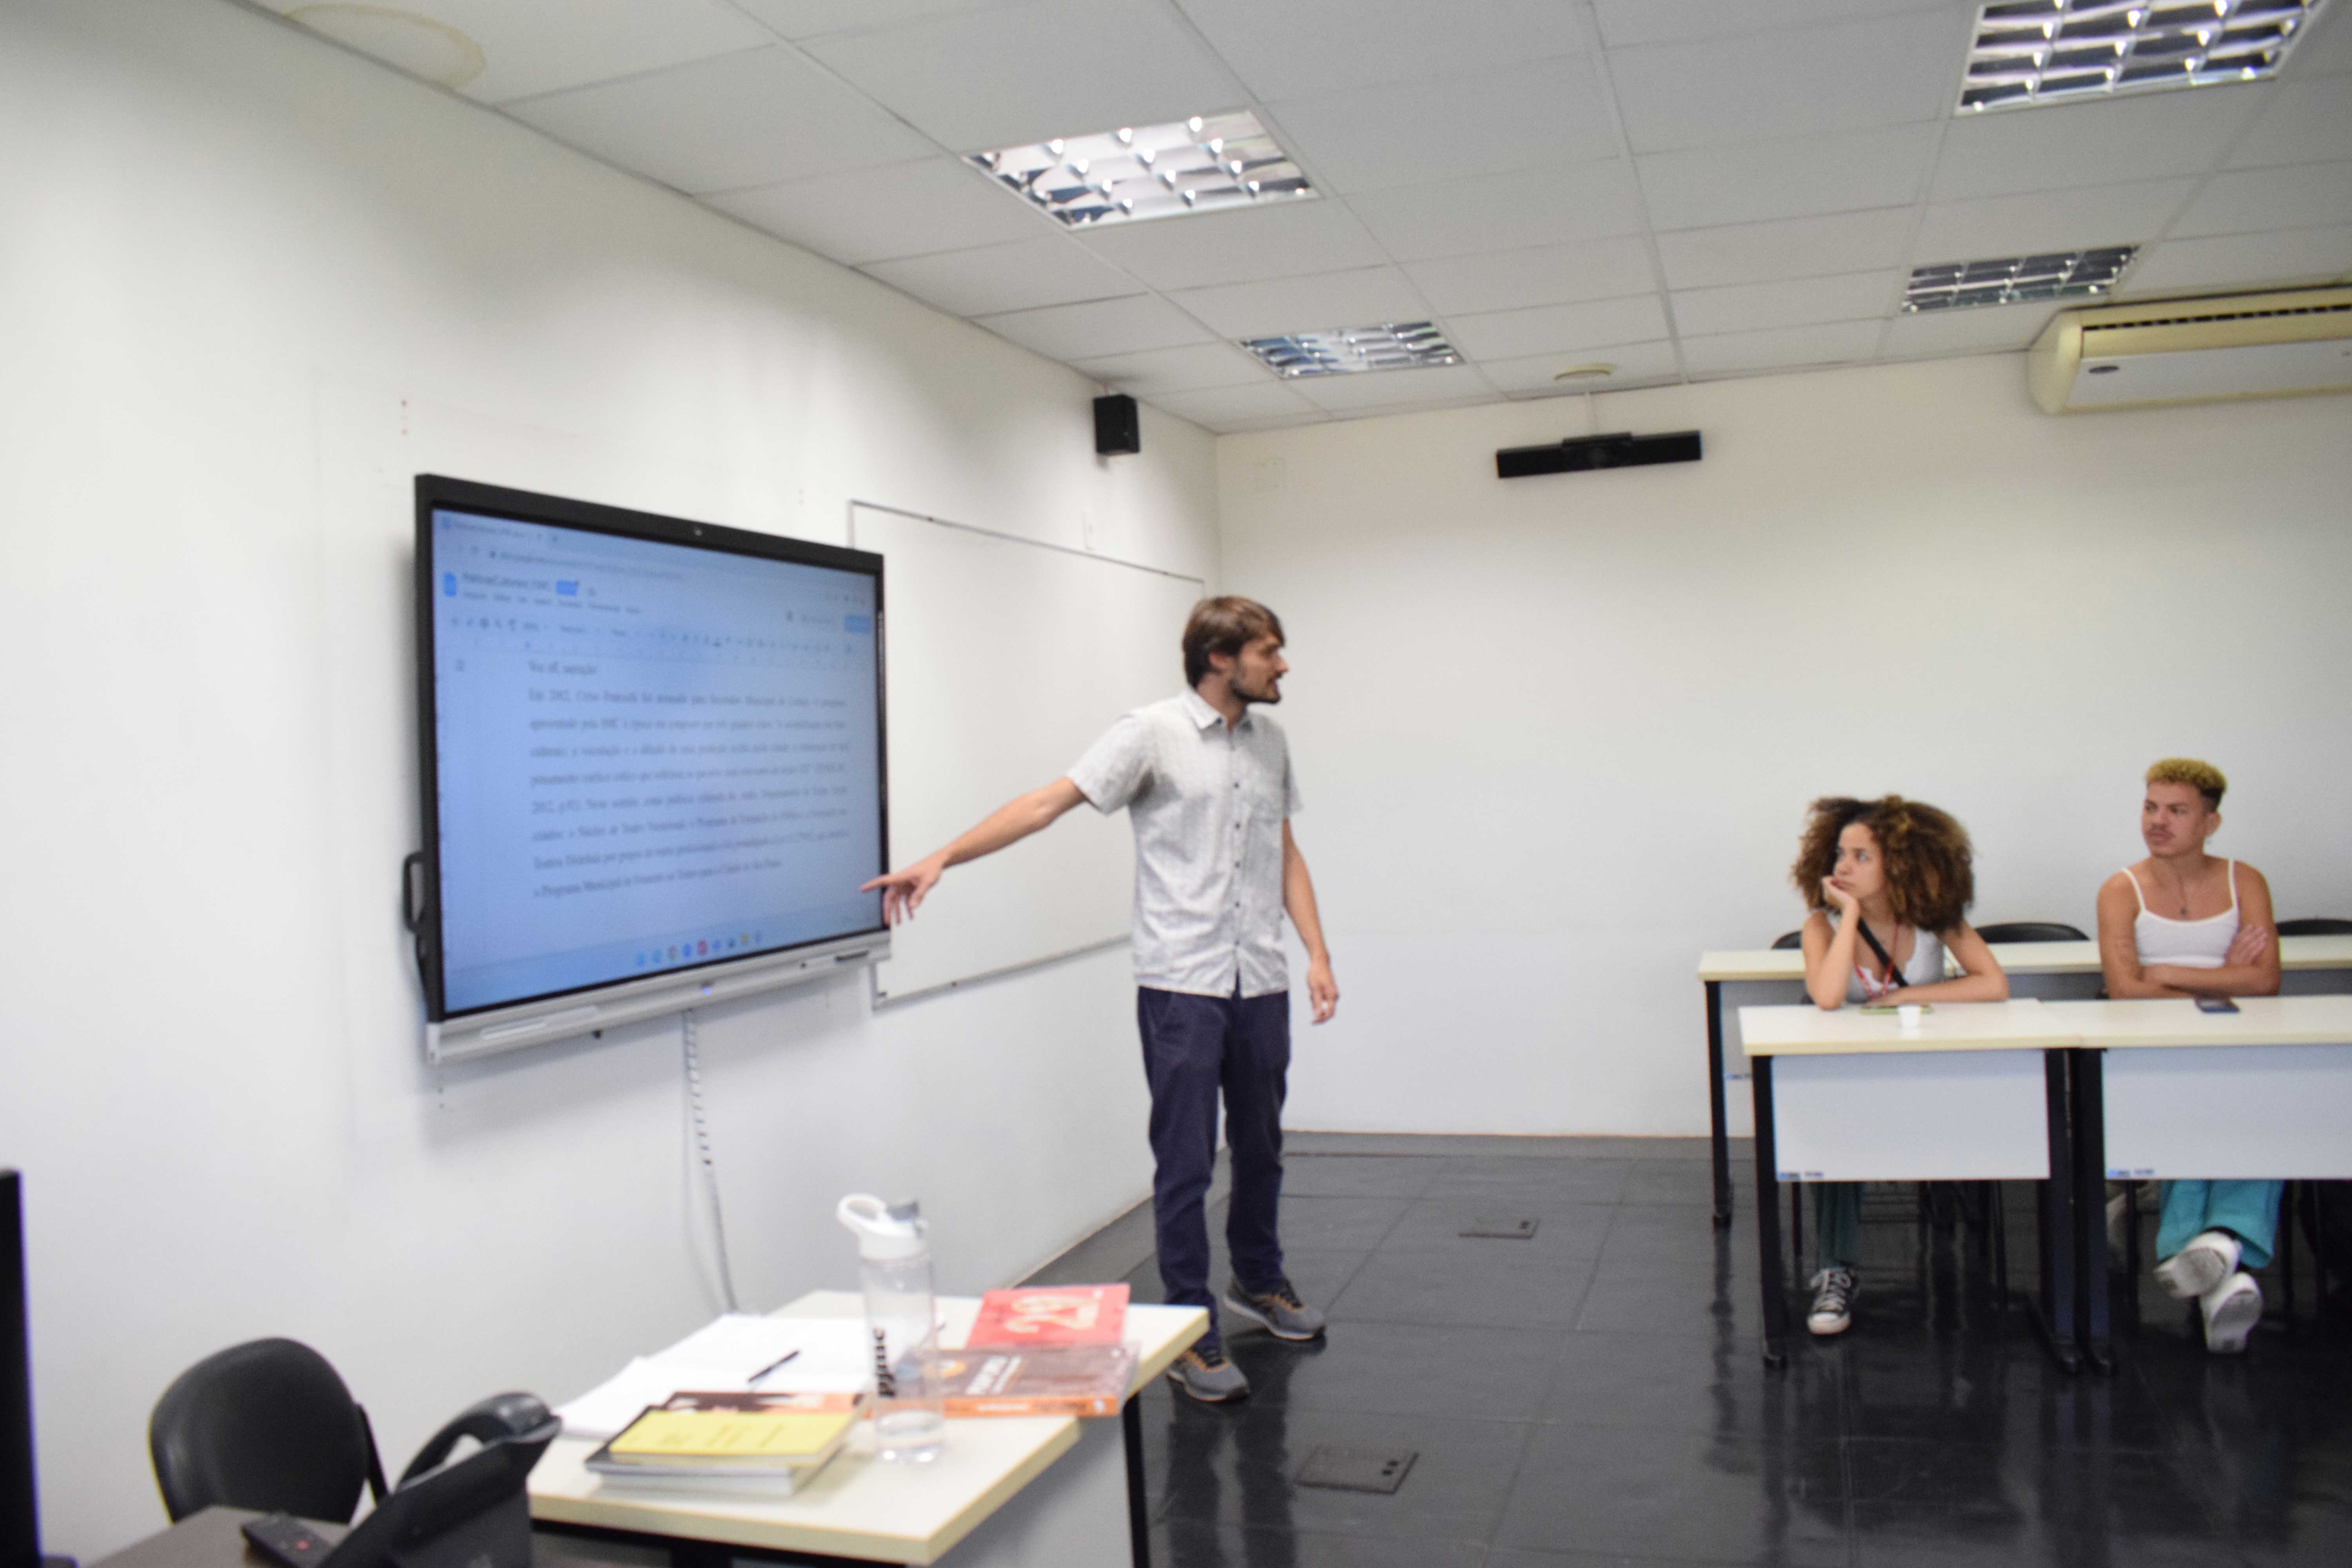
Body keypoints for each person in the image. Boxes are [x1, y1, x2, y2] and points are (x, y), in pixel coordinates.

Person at [861, 596, 1339, 1403]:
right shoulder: (1148, 733)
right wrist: (944, 856)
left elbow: (1285, 852)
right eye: (1269, 651)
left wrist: (1317, 953)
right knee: (1186, 1160)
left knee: (1261, 1147)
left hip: (1259, 978)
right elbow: (1047, 802)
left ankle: (1259, 1280)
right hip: (1182, 984)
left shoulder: (1272, 742)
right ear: (1220, 659)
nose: (1283, 664)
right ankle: (1187, 1325)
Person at [1788, 795, 2009, 1336]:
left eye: (1862, 856)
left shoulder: (1936, 921)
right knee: (1833, 1130)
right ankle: (1836, 1271)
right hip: (1849, 1079)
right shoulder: (1821, 926)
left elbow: (1994, 983)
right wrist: (1851, 916)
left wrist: (1910, 996)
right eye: (1841, 854)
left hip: (1924, 1076)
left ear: (1900, 865)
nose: (1844, 867)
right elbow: (1827, 997)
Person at [2095, 757, 2280, 1354]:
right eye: (2151, 807)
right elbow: (2125, 990)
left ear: (2210, 822)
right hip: (2155, 1055)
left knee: (2263, 1108)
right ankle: (2227, 1251)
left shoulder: (2244, 881)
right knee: (2201, 1111)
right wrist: (2225, 977)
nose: (2158, 821)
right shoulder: (2120, 889)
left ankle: (2204, 1262)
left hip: (2236, 1048)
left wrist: (2168, 971)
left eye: (2176, 811)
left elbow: (2266, 980)